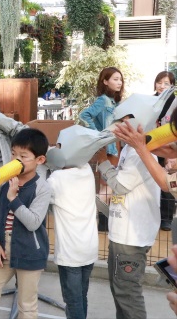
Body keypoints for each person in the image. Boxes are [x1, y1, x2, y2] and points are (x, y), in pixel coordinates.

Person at [0, 129, 51, 319]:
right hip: (3, 249)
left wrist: (13, 199)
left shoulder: (42, 188)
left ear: (40, 160)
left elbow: (33, 222)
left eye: (23, 156)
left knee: (26, 305)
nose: (16, 159)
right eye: (13, 153)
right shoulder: (5, 180)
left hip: (30, 252)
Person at [94, 125, 160, 319]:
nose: (118, 127)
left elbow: (120, 185)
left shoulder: (140, 153)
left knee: (128, 294)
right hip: (123, 235)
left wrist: (103, 162)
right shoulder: (129, 150)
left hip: (131, 239)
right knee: (120, 291)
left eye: (124, 122)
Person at [47, 150, 98, 319]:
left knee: (73, 301)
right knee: (81, 296)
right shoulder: (87, 171)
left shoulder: (56, 179)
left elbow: (41, 196)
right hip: (89, 249)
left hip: (70, 253)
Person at [79, 67, 124, 231]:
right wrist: (98, 135)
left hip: (115, 146)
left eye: (120, 79)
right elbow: (84, 115)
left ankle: (104, 221)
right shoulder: (103, 100)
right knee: (108, 184)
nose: (119, 82)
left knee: (111, 183)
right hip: (107, 146)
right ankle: (101, 222)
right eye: (115, 79)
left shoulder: (114, 101)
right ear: (105, 81)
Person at [154, 71, 177, 231]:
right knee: (155, 180)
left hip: (170, 147)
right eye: (159, 82)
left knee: (169, 182)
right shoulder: (150, 101)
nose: (162, 86)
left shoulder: (175, 102)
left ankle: (166, 219)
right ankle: (155, 216)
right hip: (153, 146)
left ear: (172, 86)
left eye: (166, 83)